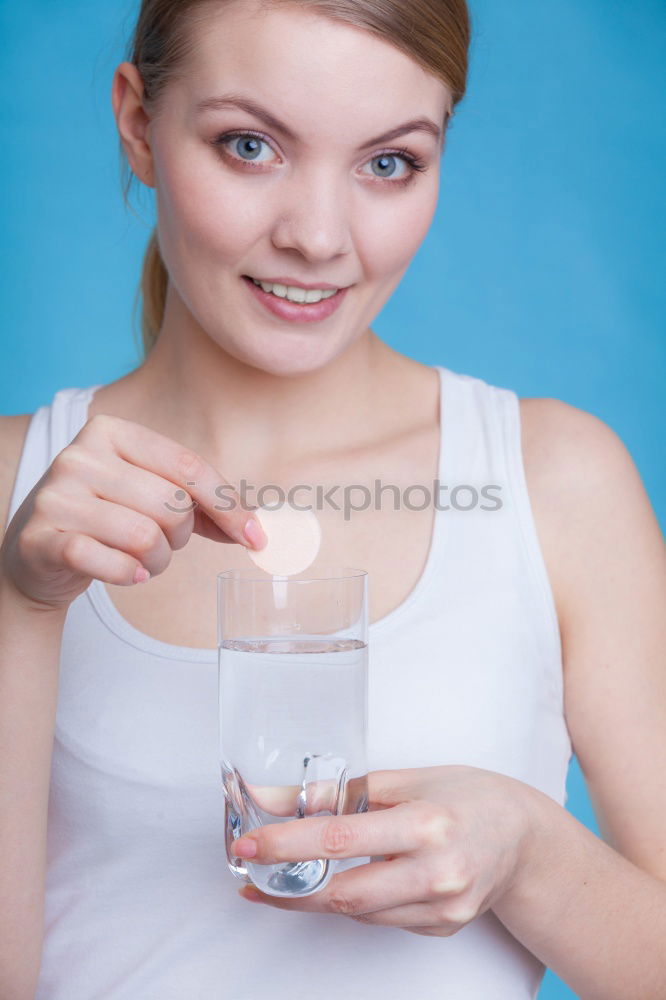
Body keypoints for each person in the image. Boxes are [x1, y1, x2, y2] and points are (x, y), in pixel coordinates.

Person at [1, 1, 664, 997]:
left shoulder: (553, 479)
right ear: (138, 122)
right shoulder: (16, 494)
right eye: (250, 145)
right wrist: (20, 601)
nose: (318, 237)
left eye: (388, 162)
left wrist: (532, 853)